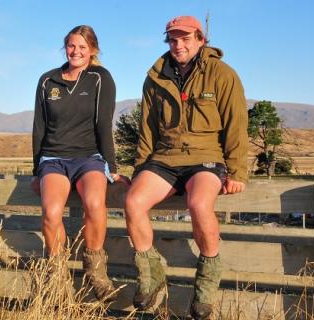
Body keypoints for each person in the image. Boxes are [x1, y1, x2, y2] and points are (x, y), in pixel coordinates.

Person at [124, 16, 248, 318]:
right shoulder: (155, 77)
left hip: (206, 157)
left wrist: (237, 172)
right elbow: (148, 129)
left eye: (185, 39)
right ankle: (151, 277)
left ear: (200, 39)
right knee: (133, 201)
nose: (178, 45)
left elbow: (236, 124)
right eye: (172, 39)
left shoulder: (222, 74)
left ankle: (205, 285)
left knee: (199, 203)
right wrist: (140, 170)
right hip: (165, 158)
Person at [31, 25, 127, 302]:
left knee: (96, 205)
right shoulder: (48, 81)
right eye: (72, 46)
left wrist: (112, 166)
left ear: (92, 51)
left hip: (88, 157)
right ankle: (56, 274)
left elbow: (103, 125)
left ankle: (95, 271)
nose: (76, 51)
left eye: (82, 47)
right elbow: (39, 126)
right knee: (51, 212)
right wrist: (36, 168)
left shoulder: (100, 78)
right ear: (65, 48)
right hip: (54, 158)